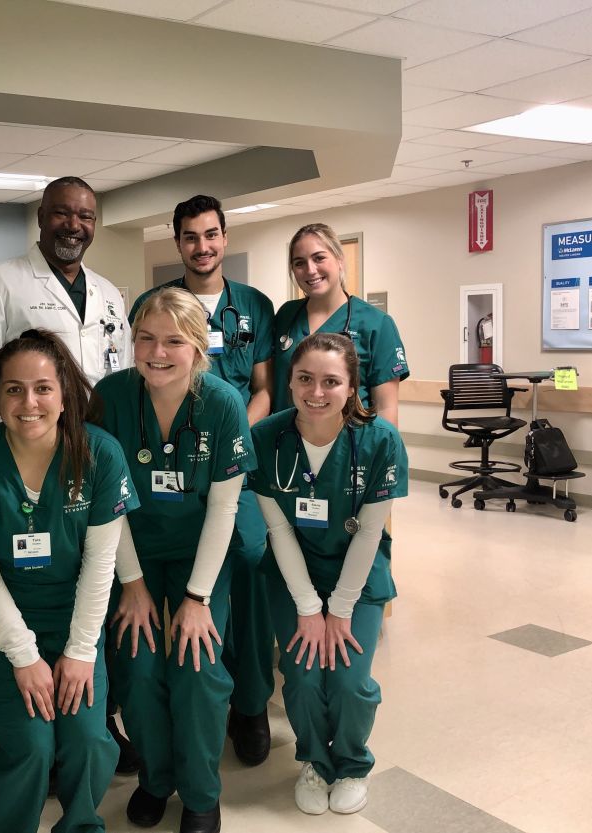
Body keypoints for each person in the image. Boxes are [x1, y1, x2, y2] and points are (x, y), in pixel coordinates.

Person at [0, 329, 139, 833]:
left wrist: (80, 652)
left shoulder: (99, 453)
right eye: (13, 389)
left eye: (42, 388)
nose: (28, 402)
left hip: (75, 619)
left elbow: (101, 565)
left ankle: (80, 825)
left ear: (64, 393)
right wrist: (24, 656)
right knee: (31, 745)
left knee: (89, 741)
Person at [92, 287, 255, 833]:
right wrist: (134, 586)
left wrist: (197, 598)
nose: (156, 352)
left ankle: (203, 795)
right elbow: (107, 501)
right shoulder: (111, 398)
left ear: (198, 347)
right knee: (137, 669)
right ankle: (157, 780)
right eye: (145, 338)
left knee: (197, 668)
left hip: (199, 558)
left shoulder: (223, 403)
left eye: (173, 341)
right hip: (131, 554)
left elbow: (225, 509)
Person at [129, 195, 276, 767]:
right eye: (190, 237)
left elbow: (264, 387)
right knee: (175, 567)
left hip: (231, 457)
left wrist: (232, 429)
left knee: (248, 554)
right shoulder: (155, 304)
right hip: (170, 462)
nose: (203, 246)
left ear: (224, 235)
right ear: (178, 243)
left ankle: (251, 701)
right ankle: (175, 702)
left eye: (211, 234)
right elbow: (145, 373)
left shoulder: (254, 307)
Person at [248, 332, 407, 816]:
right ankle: (315, 762)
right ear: (290, 382)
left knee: (348, 679)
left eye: (331, 381)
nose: (316, 392)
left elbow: (369, 534)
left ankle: (353, 763)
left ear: (352, 387)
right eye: (305, 379)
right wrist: (308, 606)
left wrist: (338, 608)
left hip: (356, 577)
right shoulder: (267, 438)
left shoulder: (379, 440)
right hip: (293, 572)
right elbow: (277, 529)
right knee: (299, 675)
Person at [0, 176, 131, 443]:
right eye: (62, 213)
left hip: (99, 439)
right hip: (26, 438)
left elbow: (124, 371)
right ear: (41, 217)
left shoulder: (108, 292)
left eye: (85, 216)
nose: (74, 225)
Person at [272, 223, 409, 424]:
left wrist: (383, 453)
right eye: (299, 263)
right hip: (287, 443)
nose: (310, 270)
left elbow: (386, 406)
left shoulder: (376, 324)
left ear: (339, 260)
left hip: (349, 444)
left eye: (319, 258)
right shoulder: (286, 315)